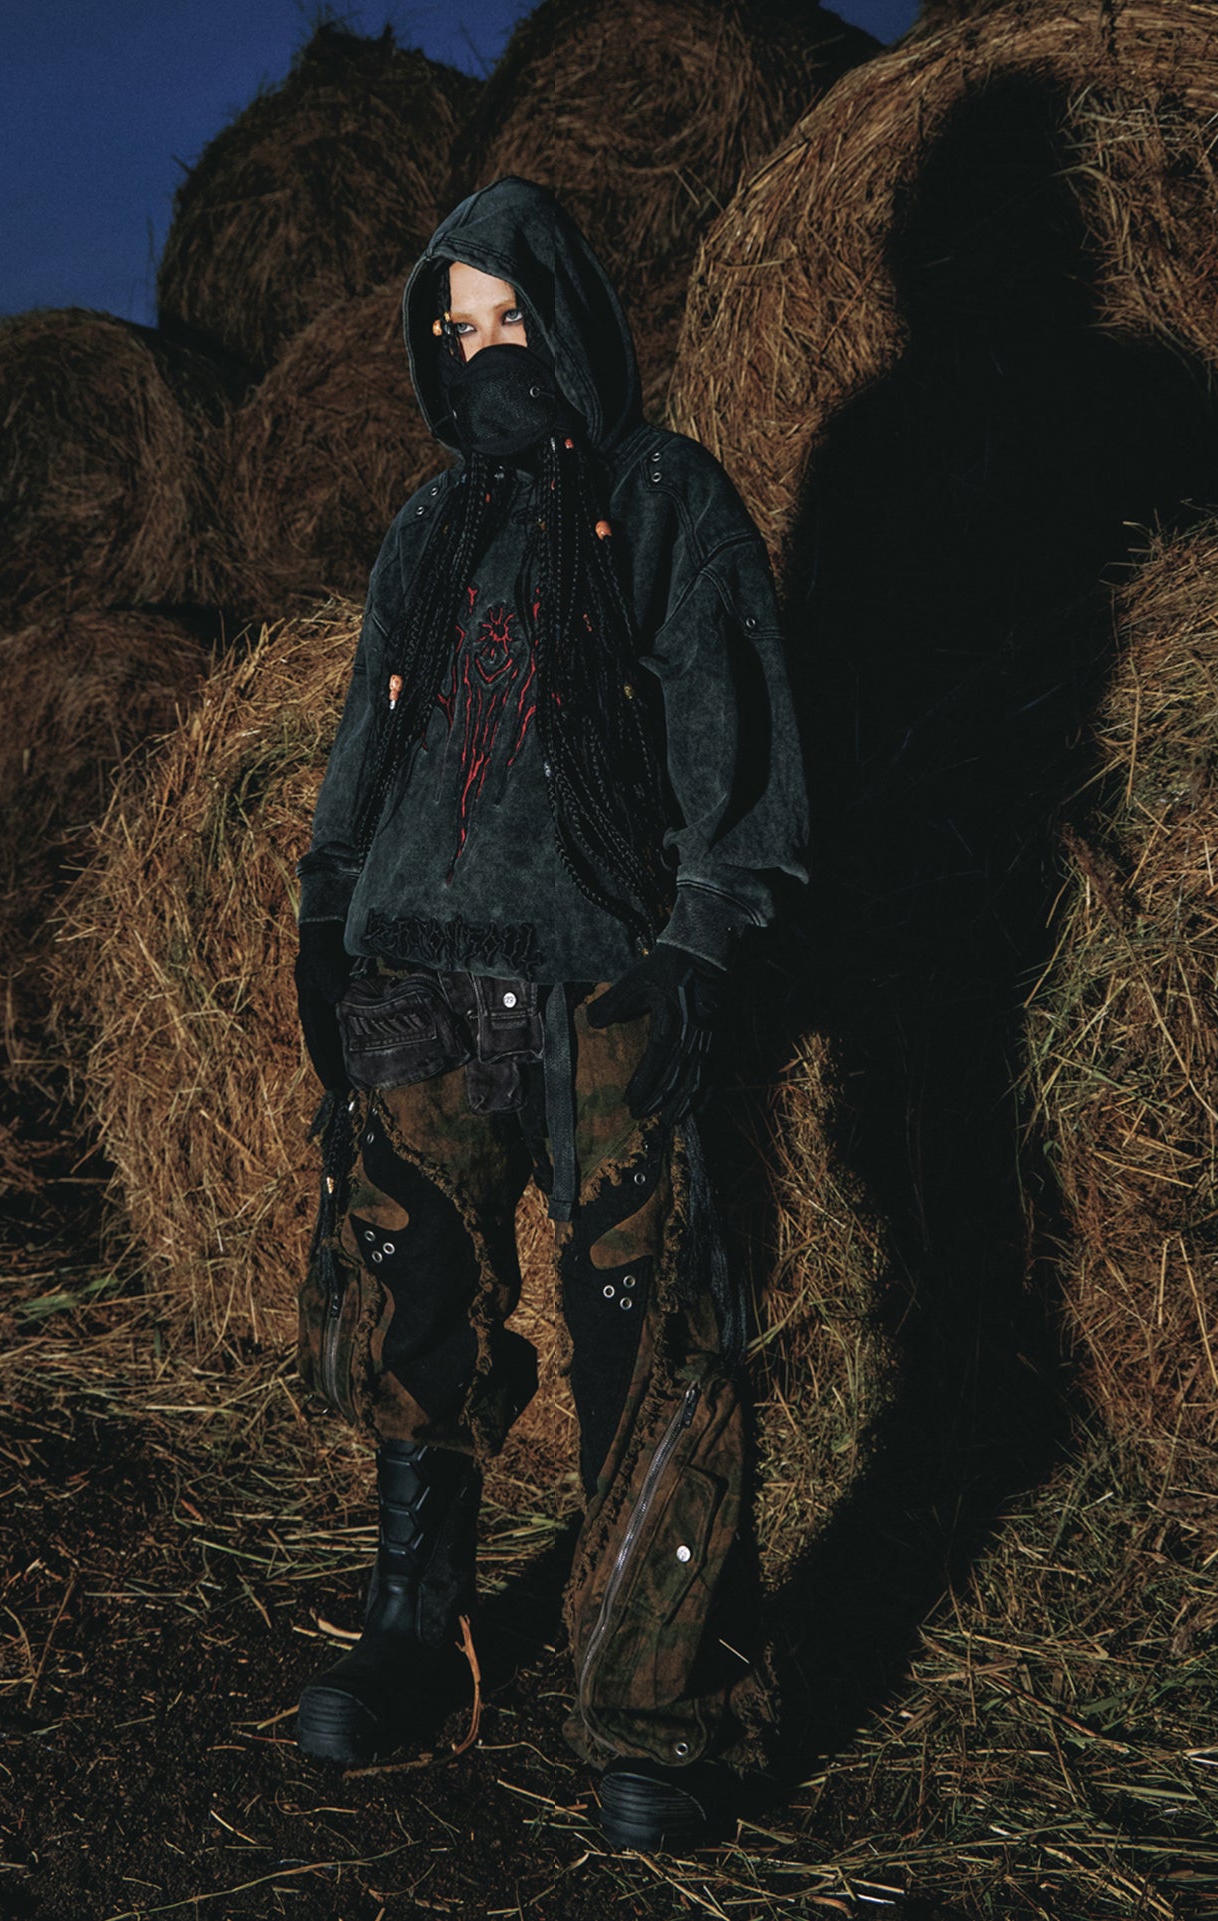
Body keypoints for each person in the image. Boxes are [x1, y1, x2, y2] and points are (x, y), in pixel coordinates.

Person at [292, 177, 807, 1851]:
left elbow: (731, 721)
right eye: (456, 329)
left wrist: (706, 934)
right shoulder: (426, 528)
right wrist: (326, 913)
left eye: (507, 315)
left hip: (597, 975)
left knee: (638, 1329)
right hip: (418, 980)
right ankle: (414, 1634)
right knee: (410, 1295)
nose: (482, 351)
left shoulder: (665, 497)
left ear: (568, 313)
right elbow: (370, 744)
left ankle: (663, 1701)